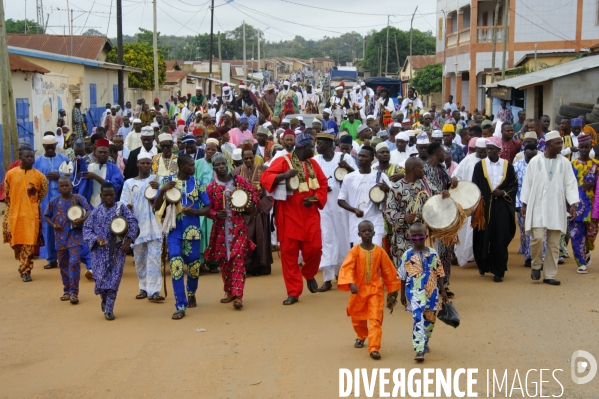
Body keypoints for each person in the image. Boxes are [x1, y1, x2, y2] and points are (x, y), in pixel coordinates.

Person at [260, 132, 329, 305]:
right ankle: (293, 292)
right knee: (289, 256)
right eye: (311, 148)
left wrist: (314, 199)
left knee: (315, 248)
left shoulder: (313, 164)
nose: (313, 151)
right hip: (288, 216)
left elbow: (323, 185)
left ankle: (309, 273)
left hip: (310, 214)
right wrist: (283, 176)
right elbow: (265, 177)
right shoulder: (283, 161)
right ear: (302, 148)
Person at [154, 155, 211, 319]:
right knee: (176, 265)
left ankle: (191, 292)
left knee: (194, 267)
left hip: (193, 232)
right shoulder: (168, 181)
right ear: (181, 166)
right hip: (174, 231)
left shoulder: (197, 184)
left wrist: (194, 211)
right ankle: (180, 304)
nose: (194, 167)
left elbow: (207, 208)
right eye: (191, 165)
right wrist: (162, 191)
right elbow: (156, 207)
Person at [521, 131, 579, 286]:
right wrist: (524, 205)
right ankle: (536, 265)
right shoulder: (535, 161)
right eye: (557, 143)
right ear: (547, 145)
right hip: (538, 205)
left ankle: (549, 275)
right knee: (538, 238)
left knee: (554, 243)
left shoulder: (565, 163)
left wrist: (572, 204)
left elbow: (570, 184)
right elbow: (527, 184)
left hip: (556, 206)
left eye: (561, 143)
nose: (560, 146)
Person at [337, 220, 400, 360]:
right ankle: (361, 335)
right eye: (363, 231)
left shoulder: (380, 251)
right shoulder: (355, 251)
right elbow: (347, 268)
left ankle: (374, 348)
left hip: (375, 290)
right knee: (357, 317)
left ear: (374, 232)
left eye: (369, 230)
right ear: (359, 234)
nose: (366, 233)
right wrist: (350, 283)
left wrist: (392, 290)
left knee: (375, 318)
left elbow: (388, 271)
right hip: (358, 290)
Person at [206, 153, 260, 309]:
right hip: (220, 231)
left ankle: (238, 296)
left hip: (238, 228)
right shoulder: (211, 188)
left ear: (228, 164)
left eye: (223, 163)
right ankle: (228, 291)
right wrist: (216, 214)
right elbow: (207, 209)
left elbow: (254, 193)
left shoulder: (239, 181)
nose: (221, 167)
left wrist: (249, 206)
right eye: (218, 165)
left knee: (237, 260)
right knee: (224, 262)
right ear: (214, 168)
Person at [398, 222, 448, 361]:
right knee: (418, 319)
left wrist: (443, 291)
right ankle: (419, 350)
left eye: (420, 235)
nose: (417, 238)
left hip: (432, 292)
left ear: (425, 236)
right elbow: (402, 276)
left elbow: (439, 273)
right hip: (414, 292)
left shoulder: (432, 253)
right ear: (409, 237)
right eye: (414, 236)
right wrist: (402, 294)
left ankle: (425, 341)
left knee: (430, 320)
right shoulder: (406, 255)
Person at [314, 132, 357, 291]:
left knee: (344, 238)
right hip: (324, 205)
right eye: (317, 144)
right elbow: (311, 180)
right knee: (327, 238)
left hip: (342, 205)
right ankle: (327, 278)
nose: (318, 147)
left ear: (330, 145)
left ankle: (344, 274)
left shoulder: (344, 158)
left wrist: (349, 168)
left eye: (321, 144)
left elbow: (356, 177)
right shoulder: (316, 160)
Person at [471, 137, 518, 282]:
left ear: (499, 150)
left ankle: (499, 271)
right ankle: (483, 264)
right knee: (481, 236)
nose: (489, 151)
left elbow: (513, 185)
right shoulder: (480, 166)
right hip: (483, 207)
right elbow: (474, 186)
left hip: (502, 207)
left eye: (492, 149)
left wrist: (503, 193)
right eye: (488, 149)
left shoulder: (507, 166)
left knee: (500, 237)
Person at [121, 154, 165, 302]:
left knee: (154, 258)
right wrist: (127, 207)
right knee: (139, 259)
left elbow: (166, 200)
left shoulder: (157, 180)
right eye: (143, 163)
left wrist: (160, 189)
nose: (145, 165)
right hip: (137, 226)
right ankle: (144, 288)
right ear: (138, 164)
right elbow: (123, 203)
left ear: (151, 165)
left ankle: (154, 291)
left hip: (155, 225)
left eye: (148, 163)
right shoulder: (129, 183)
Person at [3, 148, 49, 282]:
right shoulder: (10, 174)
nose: (30, 159)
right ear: (20, 158)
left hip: (31, 215)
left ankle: (26, 271)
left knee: (29, 243)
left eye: (31, 157)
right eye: (27, 156)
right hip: (15, 214)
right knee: (17, 243)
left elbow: (42, 193)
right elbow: (7, 194)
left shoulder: (39, 176)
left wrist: (32, 203)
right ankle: (23, 263)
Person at [44, 177, 92, 304]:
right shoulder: (54, 201)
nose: (64, 188)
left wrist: (82, 219)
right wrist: (53, 224)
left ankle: (74, 293)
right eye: (61, 186)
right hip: (60, 239)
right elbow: (46, 215)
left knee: (75, 262)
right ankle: (67, 290)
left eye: (66, 185)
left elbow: (88, 210)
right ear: (58, 187)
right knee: (63, 265)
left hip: (75, 237)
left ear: (71, 186)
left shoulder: (78, 198)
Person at [338, 146, 391, 247]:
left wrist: (387, 190)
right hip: (356, 222)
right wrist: (354, 210)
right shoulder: (349, 177)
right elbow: (340, 200)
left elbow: (393, 196)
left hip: (375, 220)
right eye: (359, 156)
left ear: (372, 159)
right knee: (360, 253)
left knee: (375, 250)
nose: (360, 158)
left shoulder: (381, 176)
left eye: (364, 156)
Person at [384, 157, 431, 265]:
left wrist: (443, 194)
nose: (423, 170)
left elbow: (435, 197)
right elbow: (389, 212)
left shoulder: (424, 184)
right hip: (403, 237)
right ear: (412, 169)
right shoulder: (396, 188)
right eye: (421, 168)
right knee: (405, 270)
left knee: (422, 268)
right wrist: (404, 217)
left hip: (422, 236)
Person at [34, 134, 70, 269]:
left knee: (63, 226)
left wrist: (59, 176)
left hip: (62, 199)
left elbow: (71, 177)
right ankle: (51, 259)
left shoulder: (64, 159)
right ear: (43, 147)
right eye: (47, 148)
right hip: (45, 200)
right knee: (47, 227)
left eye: (52, 147)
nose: (50, 150)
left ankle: (64, 258)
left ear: (56, 146)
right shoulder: (37, 161)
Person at [450, 138, 487, 266]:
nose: (483, 154)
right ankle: (464, 256)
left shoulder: (489, 161)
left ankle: (480, 256)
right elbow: (456, 175)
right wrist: (454, 179)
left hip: (485, 201)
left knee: (482, 229)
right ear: (475, 149)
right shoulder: (468, 160)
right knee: (465, 229)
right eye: (480, 151)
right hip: (468, 201)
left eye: (485, 151)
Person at [570, 134, 599, 274]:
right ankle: (581, 263)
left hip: (592, 206)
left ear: (590, 147)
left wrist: (594, 184)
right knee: (576, 234)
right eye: (581, 147)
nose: (584, 149)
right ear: (578, 148)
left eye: (586, 147)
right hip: (575, 205)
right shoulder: (572, 164)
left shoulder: (596, 164)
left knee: (591, 234)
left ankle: (587, 251)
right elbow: (567, 184)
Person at [195, 138, 220, 273]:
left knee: (214, 231)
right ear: (205, 150)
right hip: (199, 201)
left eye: (213, 149)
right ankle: (201, 261)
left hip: (215, 202)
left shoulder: (220, 163)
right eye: (208, 149)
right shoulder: (197, 163)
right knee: (201, 231)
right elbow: (192, 180)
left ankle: (213, 261)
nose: (210, 151)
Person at [514, 144, 538, 267]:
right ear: (524, 154)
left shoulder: (541, 165)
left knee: (538, 230)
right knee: (525, 230)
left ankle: (533, 256)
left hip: (538, 203)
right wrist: (517, 204)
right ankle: (527, 253)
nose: (530, 159)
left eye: (533, 156)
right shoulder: (517, 166)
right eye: (528, 157)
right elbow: (514, 187)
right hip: (522, 203)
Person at [84, 139, 124, 208]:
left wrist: (95, 177)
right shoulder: (88, 167)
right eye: (100, 152)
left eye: (105, 152)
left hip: (108, 206)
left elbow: (115, 186)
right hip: (90, 205)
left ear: (108, 153)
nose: (102, 154)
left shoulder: (113, 168)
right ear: (95, 152)